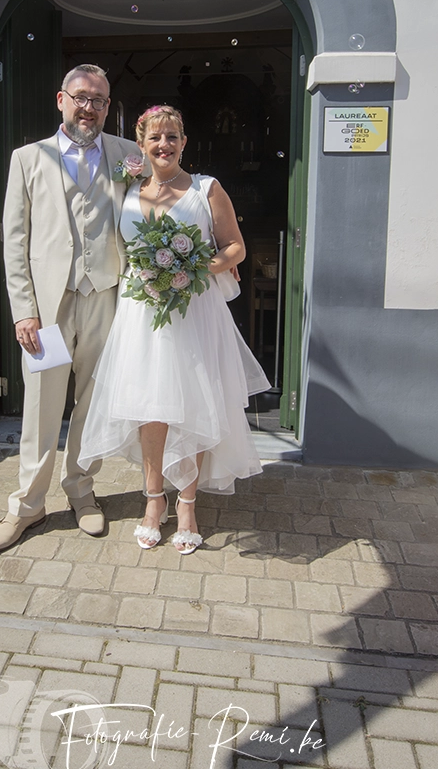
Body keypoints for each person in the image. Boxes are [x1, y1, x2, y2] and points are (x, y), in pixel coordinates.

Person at [78, 105, 270, 554]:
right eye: (155, 138)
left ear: (184, 142)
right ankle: (152, 501)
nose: (163, 145)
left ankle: (186, 503)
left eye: (172, 137)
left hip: (192, 310)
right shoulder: (126, 188)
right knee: (150, 409)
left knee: (192, 405)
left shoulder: (206, 189)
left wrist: (194, 268)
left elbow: (236, 247)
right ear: (141, 145)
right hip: (140, 314)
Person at [0, 64, 143, 554]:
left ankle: (81, 489)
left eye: (98, 100)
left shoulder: (128, 154)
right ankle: (27, 506)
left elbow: (153, 210)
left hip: (108, 298)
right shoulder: (28, 159)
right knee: (41, 407)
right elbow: (14, 240)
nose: (88, 107)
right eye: (80, 97)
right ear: (61, 99)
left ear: (108, 107)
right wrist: (23, 310)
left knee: (93, 404)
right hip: (47, 309)